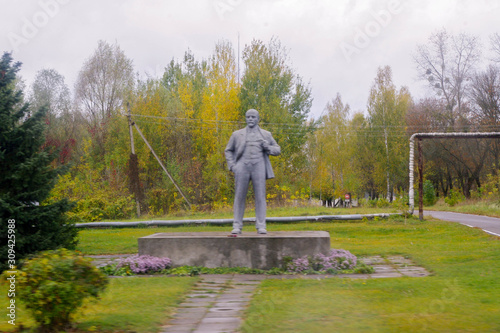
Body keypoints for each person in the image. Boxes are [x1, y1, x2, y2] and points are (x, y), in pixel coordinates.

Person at [225, 109, 281, 234]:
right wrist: (233, 166)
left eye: (253, 117)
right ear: (245, 118)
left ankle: (261, 225)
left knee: (260, 196)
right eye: (248, 117)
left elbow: (277, 150)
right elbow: (228, 150)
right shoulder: (236, 134)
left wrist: (268, 147)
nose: (250, 119)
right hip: (242, 166)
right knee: (239, 196)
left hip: (259, 166)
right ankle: (237, 225)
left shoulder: (266, 134)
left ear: (258, 119)